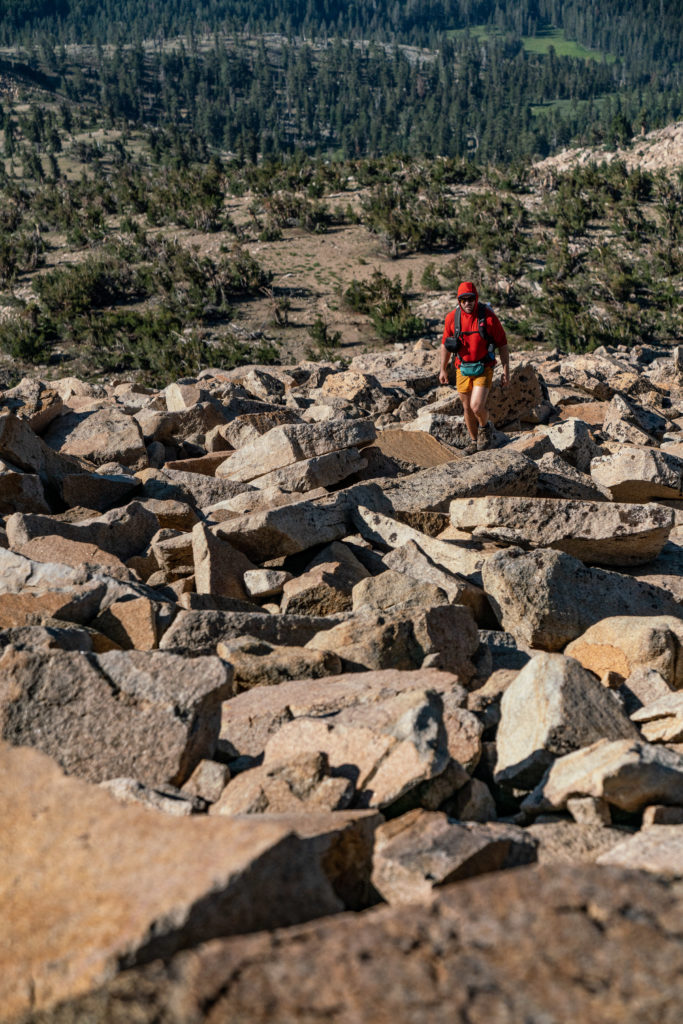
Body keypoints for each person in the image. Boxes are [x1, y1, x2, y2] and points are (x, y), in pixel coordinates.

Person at [439, 281, 510, 453]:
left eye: (470, 299)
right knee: (467, 408)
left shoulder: (488, 317)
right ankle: (473, 442)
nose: (467, 303)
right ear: (459, 301)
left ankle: (485, 428)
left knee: (476, 406)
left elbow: (503, 344)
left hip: (484, 366)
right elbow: (445, 344)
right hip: (462, 368)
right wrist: (442, 369)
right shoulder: (452, 318)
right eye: (463, 300)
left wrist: (506, 371)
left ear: (476, 298)